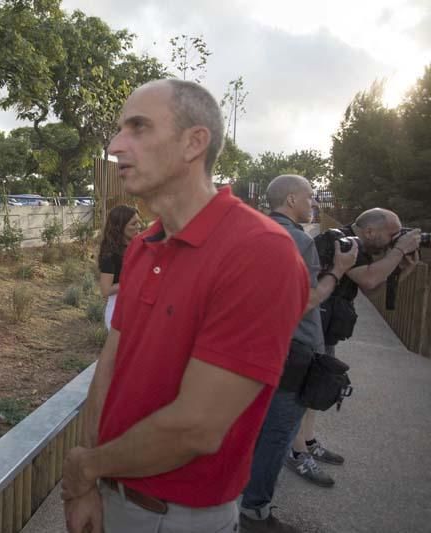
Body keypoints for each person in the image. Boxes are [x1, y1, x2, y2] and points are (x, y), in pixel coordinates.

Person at [60, 79, 309, 533]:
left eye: (137, 128)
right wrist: (88, 486)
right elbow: (111, 364)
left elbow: (197, 427)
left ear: (195, 142)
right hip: (110, 492)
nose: (116, 145)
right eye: (119, 130)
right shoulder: (143, 245)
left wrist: (87, 465)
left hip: (174, 517)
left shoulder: (259, 251)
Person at [239, 175, 358, 533]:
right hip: (291, 353)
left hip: (254, 346)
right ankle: (254, 512)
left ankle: (238, 499)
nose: (313, 204)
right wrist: (338, 271)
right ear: (291, 200)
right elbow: (301, 302)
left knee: (254, 431)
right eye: (309, 197)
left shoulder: (253, 231)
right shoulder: (299, 240)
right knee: (277, 435)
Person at [286, 208, 421, 487]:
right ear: (370, 231)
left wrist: (401, 269)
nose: (397, 239)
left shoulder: (358, 245)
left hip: (328, 328)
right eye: (392, 234)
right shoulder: (342, 241)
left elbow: (371, 291)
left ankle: (308, 442)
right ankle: (296, 452)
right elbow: (371, 279)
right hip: (311, 329)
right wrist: (398, 251)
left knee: (316, 391)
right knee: (304, 392)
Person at [97, 205, 142, 329]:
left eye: (139, 222)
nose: (138, 226)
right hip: (118, 310)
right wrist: (133, 281)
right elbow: (105, 290)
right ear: (120, 227)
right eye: (133, 224)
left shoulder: (139, 247)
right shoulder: (110, 256)